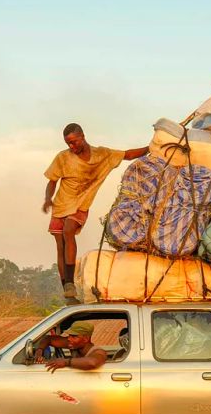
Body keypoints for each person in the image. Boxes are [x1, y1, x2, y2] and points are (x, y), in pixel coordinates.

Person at [42, 123, 149, 298]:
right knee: (60, 245)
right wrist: (48, 199)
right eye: (68, 143)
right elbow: (52, 181)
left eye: (74, 142)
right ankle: (67, 286)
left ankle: (69, 282)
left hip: (80, 205)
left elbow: (127, 155)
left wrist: (150, 147)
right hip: (61, 204)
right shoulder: (63, 158)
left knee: (69, 231)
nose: (71, 146)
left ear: (82, 136)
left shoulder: (102, 154)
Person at [34, 320, 107, 371]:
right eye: (69, 335)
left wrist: (66, 362)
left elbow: (92, 363)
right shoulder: (74, 344)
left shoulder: (98, 352)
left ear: (85, 339)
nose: (69, 338)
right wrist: (39, 351)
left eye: (74, 336)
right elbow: (48, 339)